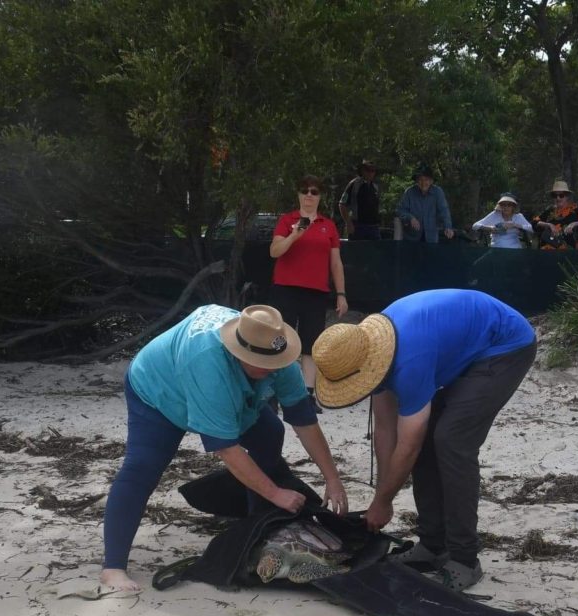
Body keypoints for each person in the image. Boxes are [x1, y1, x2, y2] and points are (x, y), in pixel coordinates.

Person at [100, 304, 349, 592]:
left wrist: (333, 478)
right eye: (262, 363)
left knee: (269, 433)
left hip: (227, 389)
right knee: (142, 468)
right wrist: (276, 493)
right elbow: (227, 449)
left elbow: (304, 421)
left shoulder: (277, 357)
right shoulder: (208, 362)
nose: (272, 370)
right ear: (238, 352)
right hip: (159, 393)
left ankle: (257, 526)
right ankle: (113, 567)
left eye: (275, 363)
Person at [312, 289, 536, 591]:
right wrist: (382, 493)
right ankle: (432, 545)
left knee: (451, 440)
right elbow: (385, 430)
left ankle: (464, 558)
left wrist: (384, 502)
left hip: (505, 345)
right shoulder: (369, 353)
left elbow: (409, 444)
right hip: (461, 344)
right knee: (430, 437)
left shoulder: (407, 361)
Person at [269, 175, 348, 408]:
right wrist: (294, 235)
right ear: (298, 194)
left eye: (314, 191)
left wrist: (341, 294)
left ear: (320, 196)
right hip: (285, 288)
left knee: (310, 343)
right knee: (278, 341)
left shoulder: (328, 225)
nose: (309, 196)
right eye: (305, 191)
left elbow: (336, 263)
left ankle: (307, 395)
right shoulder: (288, 220)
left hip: (315, 291)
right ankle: (273, 393)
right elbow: (274, 251)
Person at [396, 164, 454, 243]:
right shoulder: (409, 192)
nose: (423, 183)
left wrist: (448, 227)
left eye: (426, 179)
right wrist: (410, 218)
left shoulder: (438, 192)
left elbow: (444, 211)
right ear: (416, 181)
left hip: (431, 238)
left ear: (431, 181)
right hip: (412, 238)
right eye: (420, 180)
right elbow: (400, 210)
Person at [532, 180, 578, 249]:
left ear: (567, 196)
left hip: (569, 251)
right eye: (555, 196)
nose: (558, 198)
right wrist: (549, 225)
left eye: (561, 195)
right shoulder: (549, 210)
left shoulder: (575, 209)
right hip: (548, 250)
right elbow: (534, 222)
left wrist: (573, 224)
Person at [338, 160, 381, 240]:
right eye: (367, 170)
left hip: (374, 227)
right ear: (362, 171)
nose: (370, 173)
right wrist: (348, 223)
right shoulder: (354, 184)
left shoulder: (375, 186)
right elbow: (342, 204)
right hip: (358, 226)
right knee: (356, 251)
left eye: (372, 170)